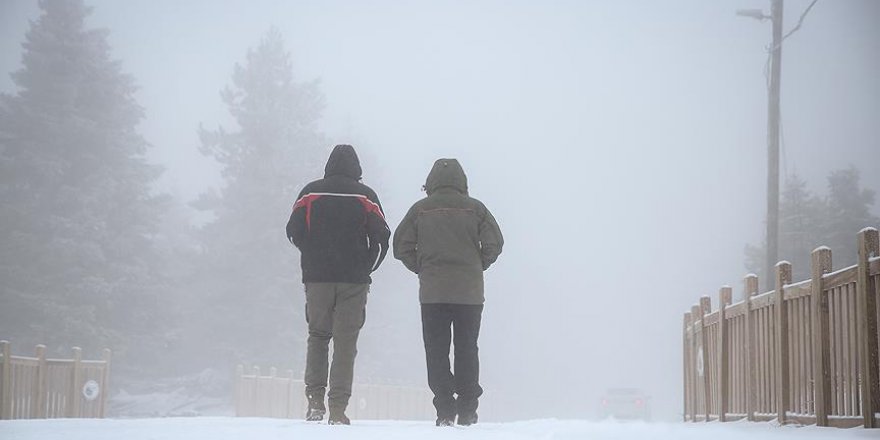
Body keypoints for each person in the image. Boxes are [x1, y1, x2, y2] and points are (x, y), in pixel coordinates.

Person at [393, 158, 503, 427]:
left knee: (437, 350)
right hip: (469, 293)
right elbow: (495, 243)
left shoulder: (420, 210)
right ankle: (467, 409)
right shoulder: (476, 209)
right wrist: (478, 264)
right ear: (462, 181)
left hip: (433, 294)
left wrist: (421, 267)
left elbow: (400, 246)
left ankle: (444, 408)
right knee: (467, 348)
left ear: (431, 181)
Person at [286, 144, 390, 425]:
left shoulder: (310, 192)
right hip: (353, 280)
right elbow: (382, 237)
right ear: (356, 167)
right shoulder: (366, 196)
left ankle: (315, 402)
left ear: (329, 164)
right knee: (346, 343)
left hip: (317, 277)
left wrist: (311, 253)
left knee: (318, 336)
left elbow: (292, 231)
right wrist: (367, 264)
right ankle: (337, 409)